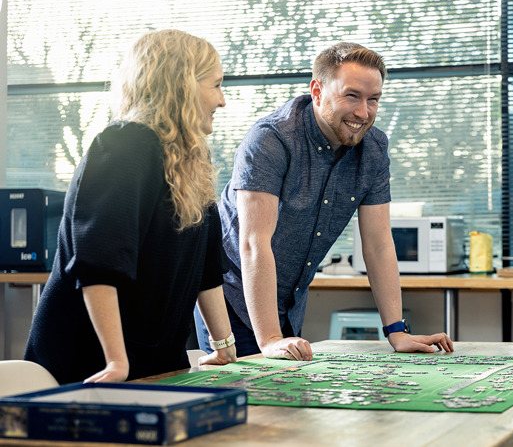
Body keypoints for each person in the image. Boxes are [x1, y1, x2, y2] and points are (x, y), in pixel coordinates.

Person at [195, 42, 454, 361]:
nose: (364, 112)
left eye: (373, 99)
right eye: (352, 96)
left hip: (289, 305)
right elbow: (253, 243)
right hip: (232, 305)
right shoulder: (271, 139)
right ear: (317, 90)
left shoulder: (373, 148)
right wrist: (272, 338)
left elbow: (378, 244)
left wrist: (396, 331)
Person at [25, 29, 238, 384]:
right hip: (90, 365)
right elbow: (98, 267)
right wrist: (116, 363)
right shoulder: (124, 145)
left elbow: (206, 270)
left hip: (155, 362)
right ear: (182, 85)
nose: (222, 100)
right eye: (215, 85)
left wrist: (225, 346)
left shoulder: (192, 161)